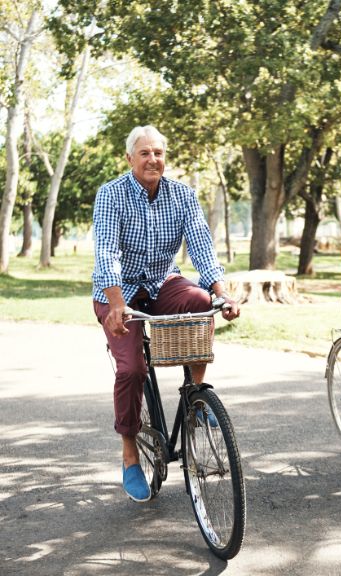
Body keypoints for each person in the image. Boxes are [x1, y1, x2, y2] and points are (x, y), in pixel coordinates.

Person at [92, 125, 240, 502]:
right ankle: (129, 456)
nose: (152, 159)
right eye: (144, 153)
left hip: (162, 283)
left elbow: (202, 246)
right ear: (130, 159)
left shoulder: (182, 195)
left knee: (199, 300)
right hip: (118, 294)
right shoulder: (111, 195)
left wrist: (221, 293)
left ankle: (195, 395)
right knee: (132, 370)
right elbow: (106, 254)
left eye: (158, 152)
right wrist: (115, 302)